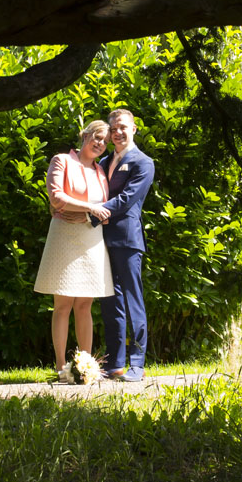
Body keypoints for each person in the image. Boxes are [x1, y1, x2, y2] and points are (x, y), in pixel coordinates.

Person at [32, 120, 113, 380]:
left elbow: (104, 204)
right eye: (97, 137)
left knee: (85, 304)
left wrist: (102, 214)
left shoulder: (101, 171)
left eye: (105, 141)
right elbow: (56, 197)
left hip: (91, 237)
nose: (100, 143)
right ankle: (59, 366)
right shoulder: (62, 161)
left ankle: (84, 367)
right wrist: (90, 207)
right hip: (64, 235)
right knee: (63, 304)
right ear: (86, 135)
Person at [95, 109, 156, 382]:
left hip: (128, 241)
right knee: (110, 302)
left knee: (133, 301)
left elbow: (127, 200)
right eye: (113, 128)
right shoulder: (104, 161)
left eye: (122, 127)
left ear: (134, 129)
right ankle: (115, 363)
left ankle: (138, 365)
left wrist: (92, 212)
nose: (117, 132)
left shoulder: (143, 163)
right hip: (100, 240)